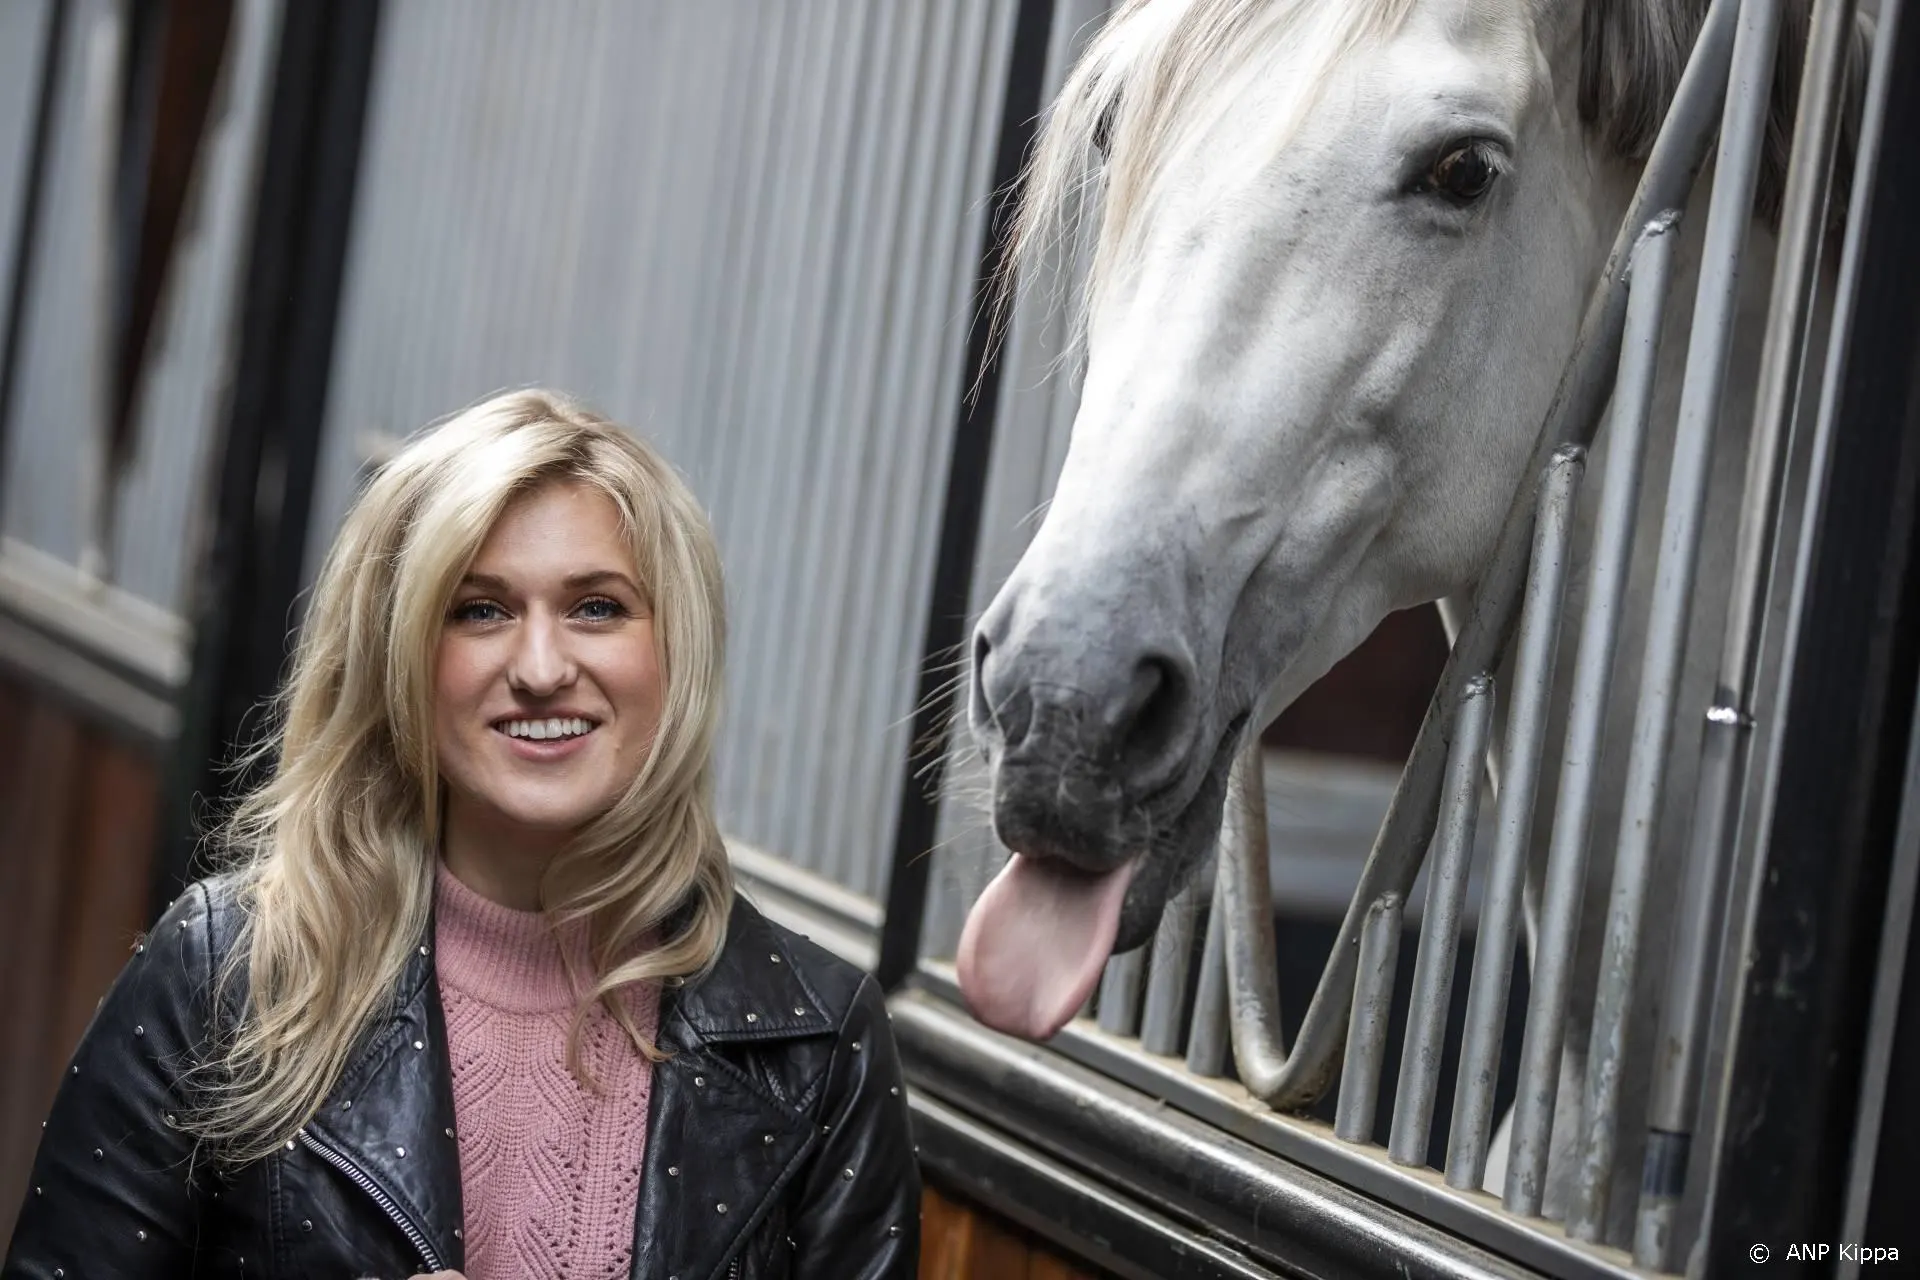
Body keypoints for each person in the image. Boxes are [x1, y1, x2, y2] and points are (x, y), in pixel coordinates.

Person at [3, 390, 920, 1279]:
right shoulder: (226, 972)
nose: (540, 667)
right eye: (480, 610)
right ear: (399, 653)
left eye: (597, 607)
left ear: (675, 650)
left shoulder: (815, 1041)